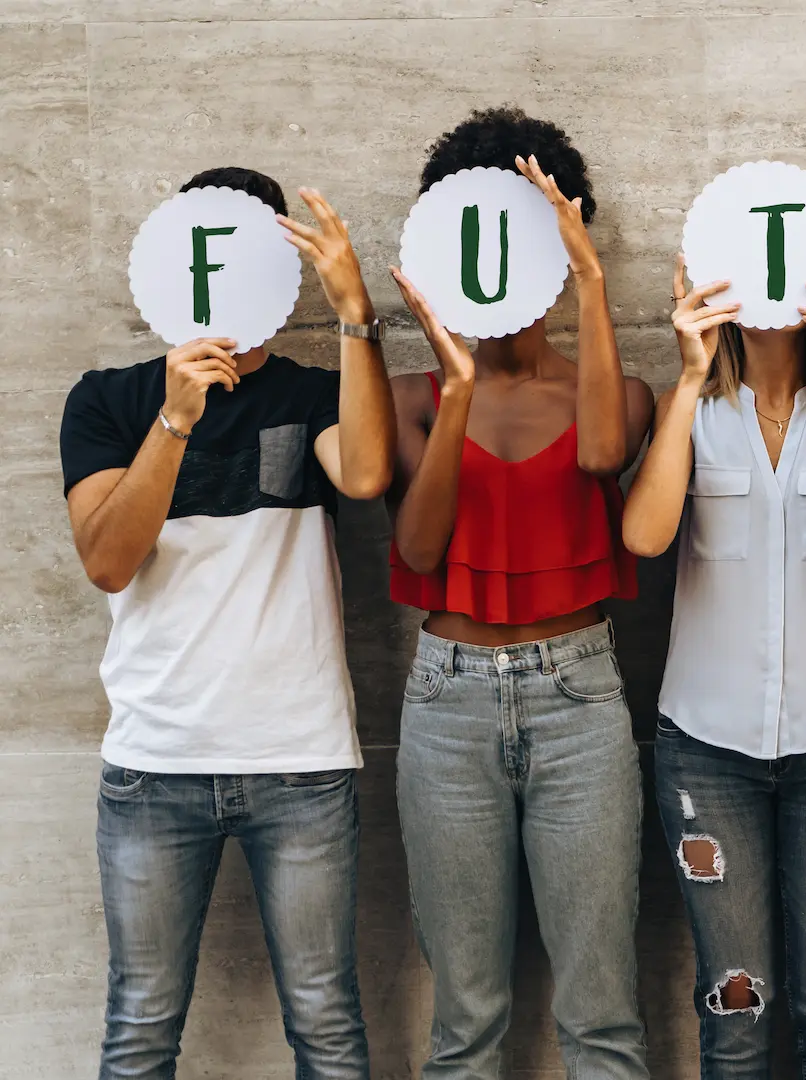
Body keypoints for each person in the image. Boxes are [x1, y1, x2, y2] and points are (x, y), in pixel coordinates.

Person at [61, 166, 395, 1079]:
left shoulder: (312, 394)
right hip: (155, 767)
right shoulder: (106, 400)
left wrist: (356, 316)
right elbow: (107, 560)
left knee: (328, 1028)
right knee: (139, 1030)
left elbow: (366, 476)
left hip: (302, 762)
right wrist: (174, 419)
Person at [385, 107, 655, 1079]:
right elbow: (417, 550)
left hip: (579, 697)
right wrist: (456, 389)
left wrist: (589, 279)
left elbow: (602, 453)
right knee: (465, 1027)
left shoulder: (613, 391)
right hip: (446, 699)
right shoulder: (414, 396)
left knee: (603, 1017)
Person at [624, 246, 806, 1078]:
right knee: (736, 1010)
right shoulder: (692, 413)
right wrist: (687, 376)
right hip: (707, 753)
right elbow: (644, 537)